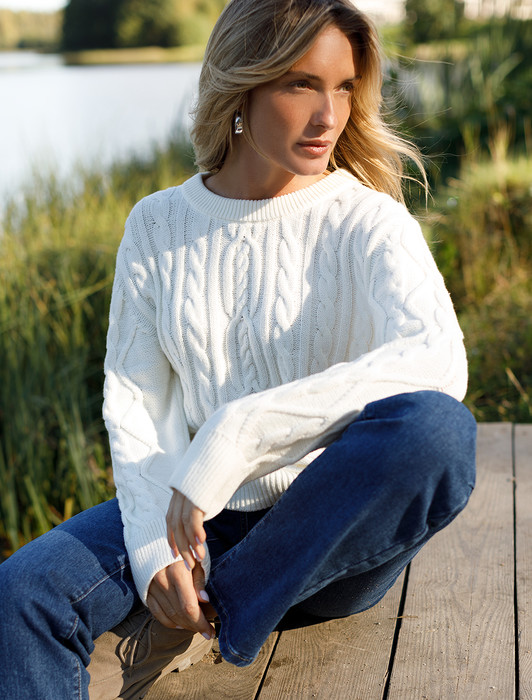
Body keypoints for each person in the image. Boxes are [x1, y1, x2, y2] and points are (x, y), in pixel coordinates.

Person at [0, 0, 477, 698]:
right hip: (196, 518)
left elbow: (438, 358)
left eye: (344, 88)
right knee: (22, 591)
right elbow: (137, 404)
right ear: (241, 88)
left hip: (329, 531)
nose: (329, 115)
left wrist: (240, 430)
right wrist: (154, 551)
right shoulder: (158, 224)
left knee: (438, 430)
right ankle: (194, 600)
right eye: (300, 84)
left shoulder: (370, 220)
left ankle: (221, 610)